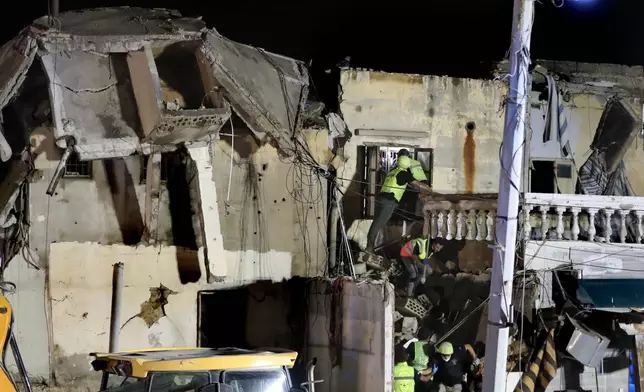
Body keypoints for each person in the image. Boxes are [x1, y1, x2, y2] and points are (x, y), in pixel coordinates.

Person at [365, 149, 432, 254]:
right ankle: (369, 248)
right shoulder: (404, 173)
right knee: (378, 224)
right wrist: (429, 189)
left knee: (377, 222)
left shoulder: (392, 172)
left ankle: (370, 247)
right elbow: (418, 184)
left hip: (381, 199)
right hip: (389, 201)